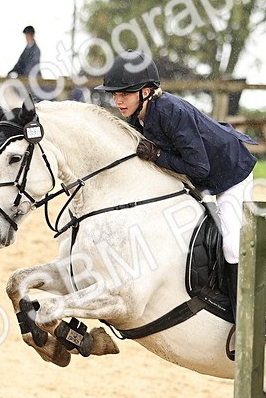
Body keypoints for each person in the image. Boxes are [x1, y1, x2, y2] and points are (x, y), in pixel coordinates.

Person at [98, 50, 256, 264]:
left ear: (145, 92)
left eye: (124, 94)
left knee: (232, 248)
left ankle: (247, 295)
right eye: (114, 94)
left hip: (231, 173)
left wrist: (158, 155)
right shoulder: (137, 117)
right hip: (198, 178)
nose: (117, 101)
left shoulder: (172, 112)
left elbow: (199, 168)